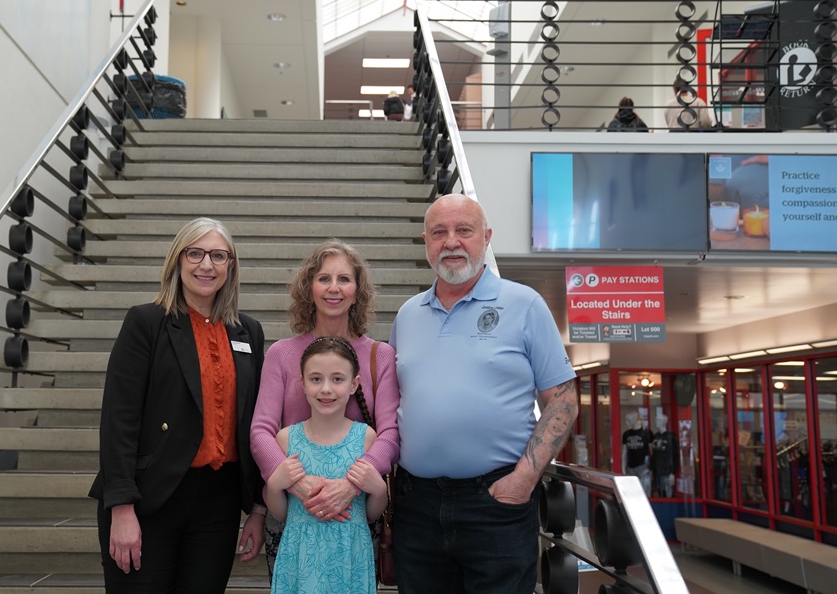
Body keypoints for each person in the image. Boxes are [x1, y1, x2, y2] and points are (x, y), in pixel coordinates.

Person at [390, 194, 579, 594]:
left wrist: (524, 479)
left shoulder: (524, 304)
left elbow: (562, 399)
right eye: (439, 232)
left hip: (496, 502)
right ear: (425, 241)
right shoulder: (407, 314)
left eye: (464, 230)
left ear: (487, 237)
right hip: (416, 506)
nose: (452, 242)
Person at [89, 217, 267, 593]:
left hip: (217, 503)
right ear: (177, 260)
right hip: (149, 497)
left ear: (231, 266)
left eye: (219, 256)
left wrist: (258, 507)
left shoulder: (247, 332)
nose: (207, 265)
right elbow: (119, 419)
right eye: (196, 253)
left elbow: (255, 421)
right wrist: (121, 507)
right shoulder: (146, 322)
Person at [250, 239, 398, 576]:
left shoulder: (380, 356)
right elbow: (261, 430)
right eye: (324, 278)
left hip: (355, 511)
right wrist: (297, 484)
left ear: (358, 291)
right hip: (292, 508)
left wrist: (351, 486)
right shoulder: (281, 354)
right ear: (309, 288)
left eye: (344, 279)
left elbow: (391, 431)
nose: (334, 288)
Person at [265, 336, 388, 594]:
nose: (326, 389)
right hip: (300, 556)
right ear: (302, 383)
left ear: (354, 384)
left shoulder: (366, 438)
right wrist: (274, 486)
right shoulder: (286, 439)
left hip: (350, 555)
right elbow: (281, 514)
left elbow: (371, 514)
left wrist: (378, 490)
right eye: (316, 379)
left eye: (337, 379)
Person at [621, 410, 653, 495]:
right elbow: (624, 452)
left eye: (628, 420)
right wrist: (623, 468)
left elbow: (652, 452)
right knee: (632, 493)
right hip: (630, 467)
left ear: (635, 419)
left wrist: (650, 467)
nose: (626, 422)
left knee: (645, 493)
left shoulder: (646, 433)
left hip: (643, 467)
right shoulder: (626, 434)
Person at [650, 414, 679, 498]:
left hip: (666, 472)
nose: (656, 422)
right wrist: (651, 469)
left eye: (659, 420)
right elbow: (654, 454)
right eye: (656, 420)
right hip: (656, 472)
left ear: (664, 422)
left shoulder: (671, 437)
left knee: (667, 494)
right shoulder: (655, 436)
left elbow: (675, 455)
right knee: (657, 493)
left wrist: (672, 473)